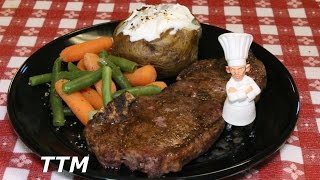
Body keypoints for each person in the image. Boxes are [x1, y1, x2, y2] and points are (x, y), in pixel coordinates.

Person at [218, 33, 261, 129]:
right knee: (229, 125)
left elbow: (257, 90)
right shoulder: (230, 83)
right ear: (228, 70)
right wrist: (247, 91)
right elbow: (232, 98)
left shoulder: (249, 80)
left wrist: (242, 94)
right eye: (233, 69)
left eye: (240, 69)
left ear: (247, 68)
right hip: (231, 110)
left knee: (248, 125)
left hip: (248, 109)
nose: (237, 72)